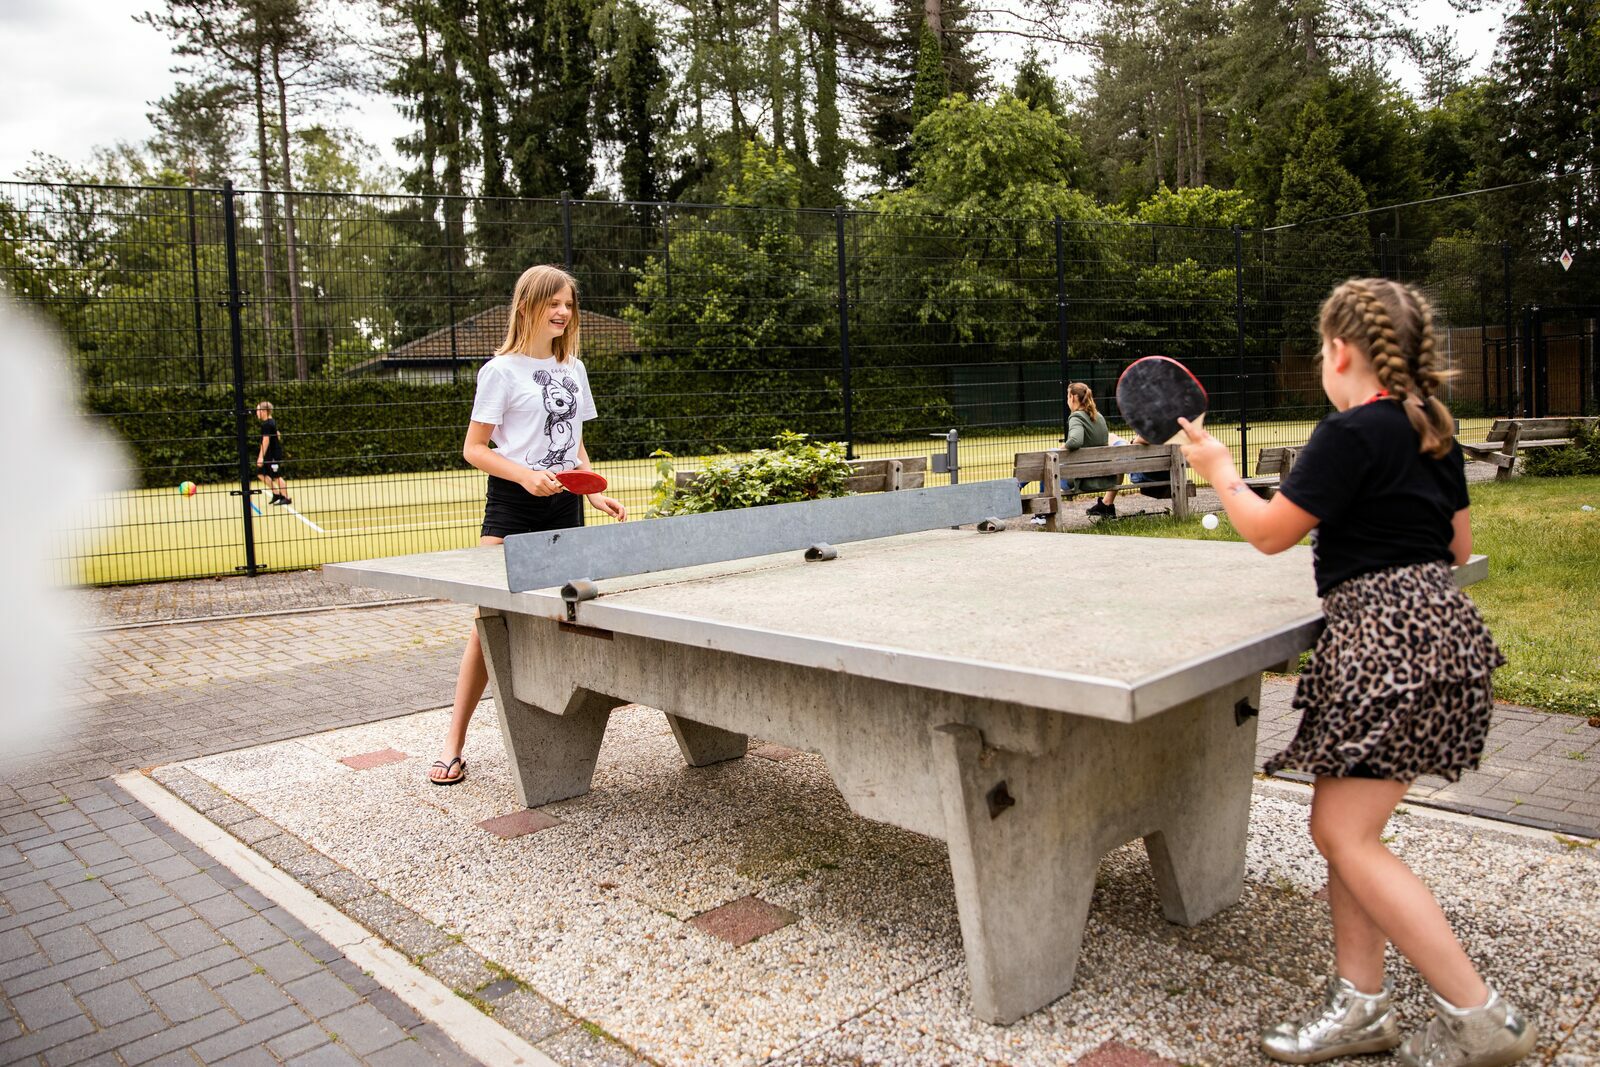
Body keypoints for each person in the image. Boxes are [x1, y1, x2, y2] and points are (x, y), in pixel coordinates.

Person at [1178, 278, 1533, 1067]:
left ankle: (1480, 1018)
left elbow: (1270, 531)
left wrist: (1216, 468)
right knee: (1353, 834)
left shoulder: (1348, 431)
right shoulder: (1427, 428)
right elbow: (1457, 545)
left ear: (1339, 351)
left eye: (1318, 349)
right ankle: (1361, 1004)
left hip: (1383, 648)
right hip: (1445, 638)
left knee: (1341, 832)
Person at [429, 264, 627, 786]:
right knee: (489, 624)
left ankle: (564, 725)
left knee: (571, 613)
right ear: (526, 306)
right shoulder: (500, 372)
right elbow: (474, 449)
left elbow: (574, 447)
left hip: (565, 505)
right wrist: (525, 476)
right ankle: (453, 744)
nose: (562, 312)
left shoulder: (574, 369)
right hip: (512, 507)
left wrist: (595, 491)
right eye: (553, 303)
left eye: (568, 304)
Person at [1063, 382, 1120, 516]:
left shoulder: (1076, 417)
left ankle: (1041, 516)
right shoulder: (1099, 417)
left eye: (1067, 396)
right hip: (1105, 476)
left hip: (1084, 480)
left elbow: (1075, 441)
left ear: (1072, 397)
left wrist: (1063, 446)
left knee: (1047, 468)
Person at [255, 401, 291, 506]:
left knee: (276, 476)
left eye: (258, 410)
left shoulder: (268, 424)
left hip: (273, 455)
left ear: (264, 411)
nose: (256, 412)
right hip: (270, 454)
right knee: (261, 473)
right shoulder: (270, 422)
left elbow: (265, 440)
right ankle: (276, 494)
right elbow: (277, 434)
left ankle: (286, 497)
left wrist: (260, 457)